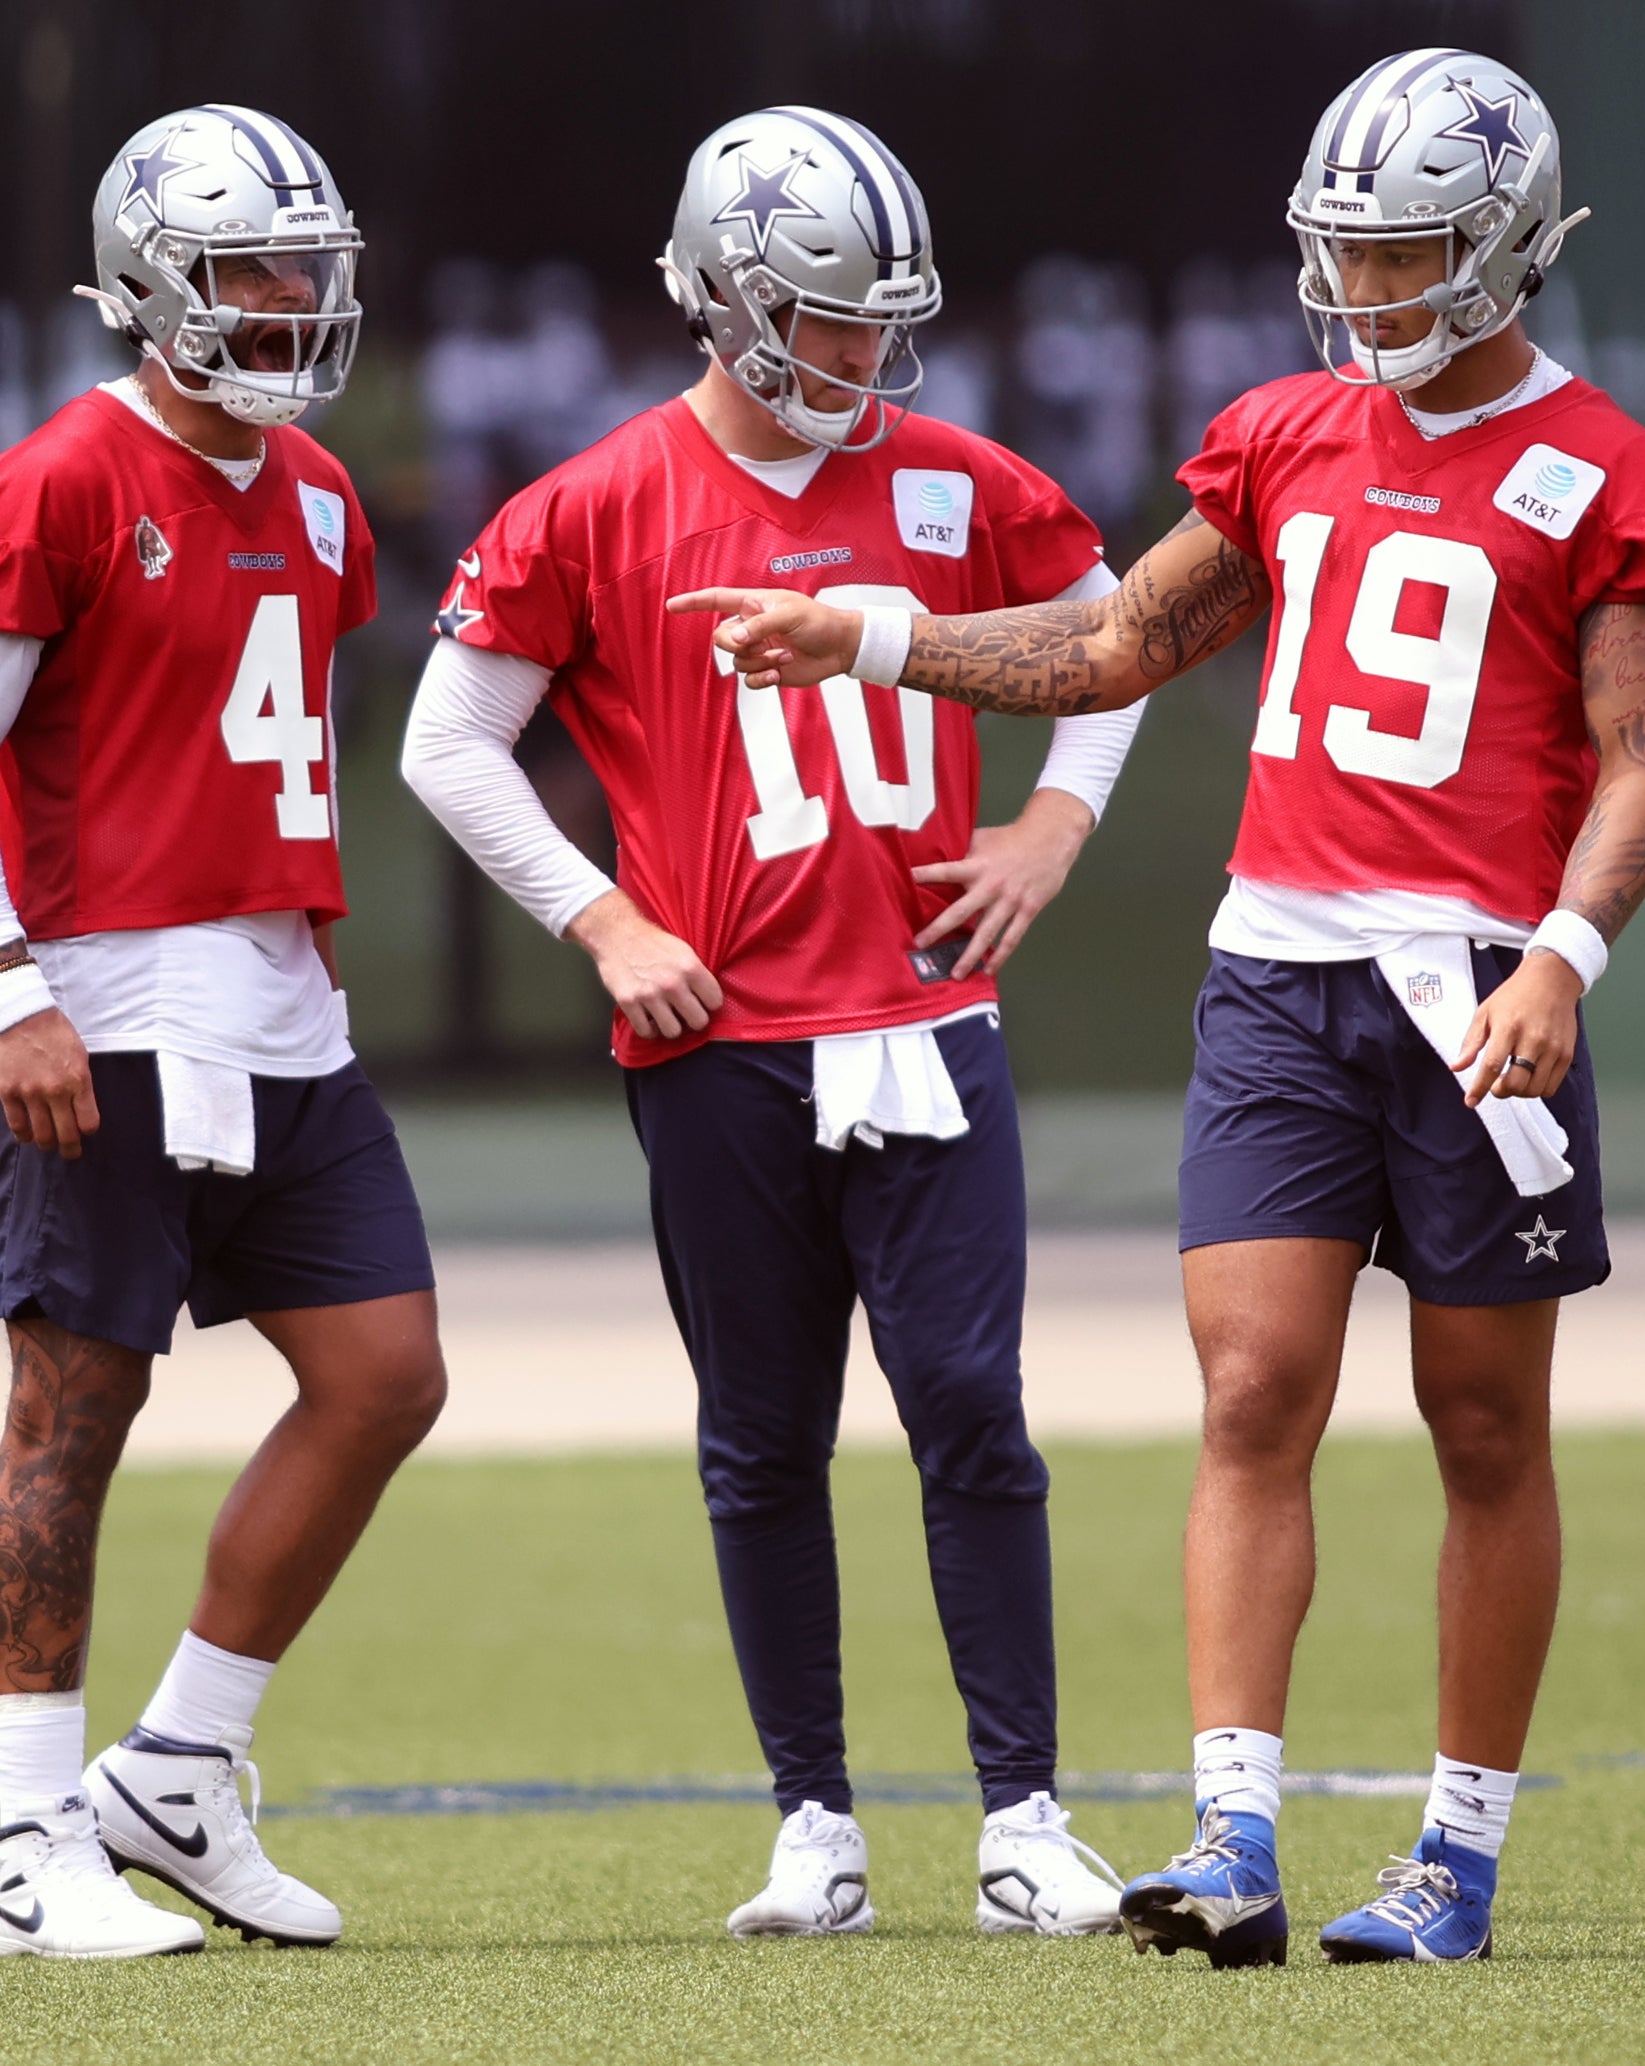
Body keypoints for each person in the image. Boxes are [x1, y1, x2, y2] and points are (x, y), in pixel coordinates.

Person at [674, 49, 1645, 1967]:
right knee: (1254, 1386)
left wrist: (1567, 958)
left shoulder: (1617, 478)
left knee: (1484, 1424)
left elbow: (1639, 762)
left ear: (1500, 252)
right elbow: (1108, 641)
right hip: (1277, 971)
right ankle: (1232, 1836)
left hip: (1487, 977)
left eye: (1404, 255)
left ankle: (1457, 1860)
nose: (1369, 293)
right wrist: (875, 635)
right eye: (1351, 252)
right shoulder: (1287, 433)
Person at [403, 106, 1145, 1940]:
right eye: (829, 319)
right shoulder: (593, 503)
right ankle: (811, 1814)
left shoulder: (955, 478)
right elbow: (446, 743)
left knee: (975, 1406)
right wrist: (604, 916)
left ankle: (1023, 1810)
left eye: (882, 320)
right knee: (762, 1434)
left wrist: (1055, 817)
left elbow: (1117, 641)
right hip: (725, 1039)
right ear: (732, 302)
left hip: (923, 1011)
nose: (867, 357)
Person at [0, 105, 446, 1961]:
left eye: (307, 268)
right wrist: (7, 985)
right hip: (98, 1005)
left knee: (384, 1373)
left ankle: (181, 1767)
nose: (290, 303)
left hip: (275, 999)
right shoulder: (52, 479)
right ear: (149, 287)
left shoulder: (323, 493)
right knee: (76, 1408)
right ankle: (32, 1839)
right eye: (249, 271)